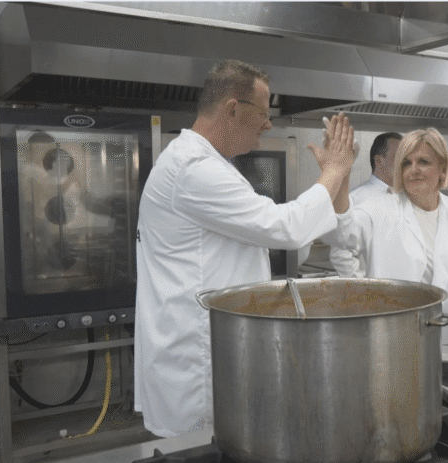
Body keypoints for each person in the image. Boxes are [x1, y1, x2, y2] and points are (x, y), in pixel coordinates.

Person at [134, 59, 356, 437]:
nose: (268, 124)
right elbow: (285, 228)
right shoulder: (192, 167)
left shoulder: (210, 164)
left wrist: (338, 176)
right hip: (198, 361)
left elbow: (270, 232)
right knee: (202, 449)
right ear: (233, 109)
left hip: (214, 349)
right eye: (264, 113)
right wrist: (333, 170)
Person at [322, 128, 448, 363]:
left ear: (442, 168)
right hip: (391, 340)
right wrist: (341, 174)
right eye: (406, 163)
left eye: (423, 162)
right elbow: (340, 234)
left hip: (447, 342)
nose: (413, 170)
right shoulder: (379, 209)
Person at [329, 132, 402, 277]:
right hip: (376, 289)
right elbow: (340, 254)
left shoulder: (408, 198)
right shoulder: (357, 199)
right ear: (379, 160)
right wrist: (365, 287)